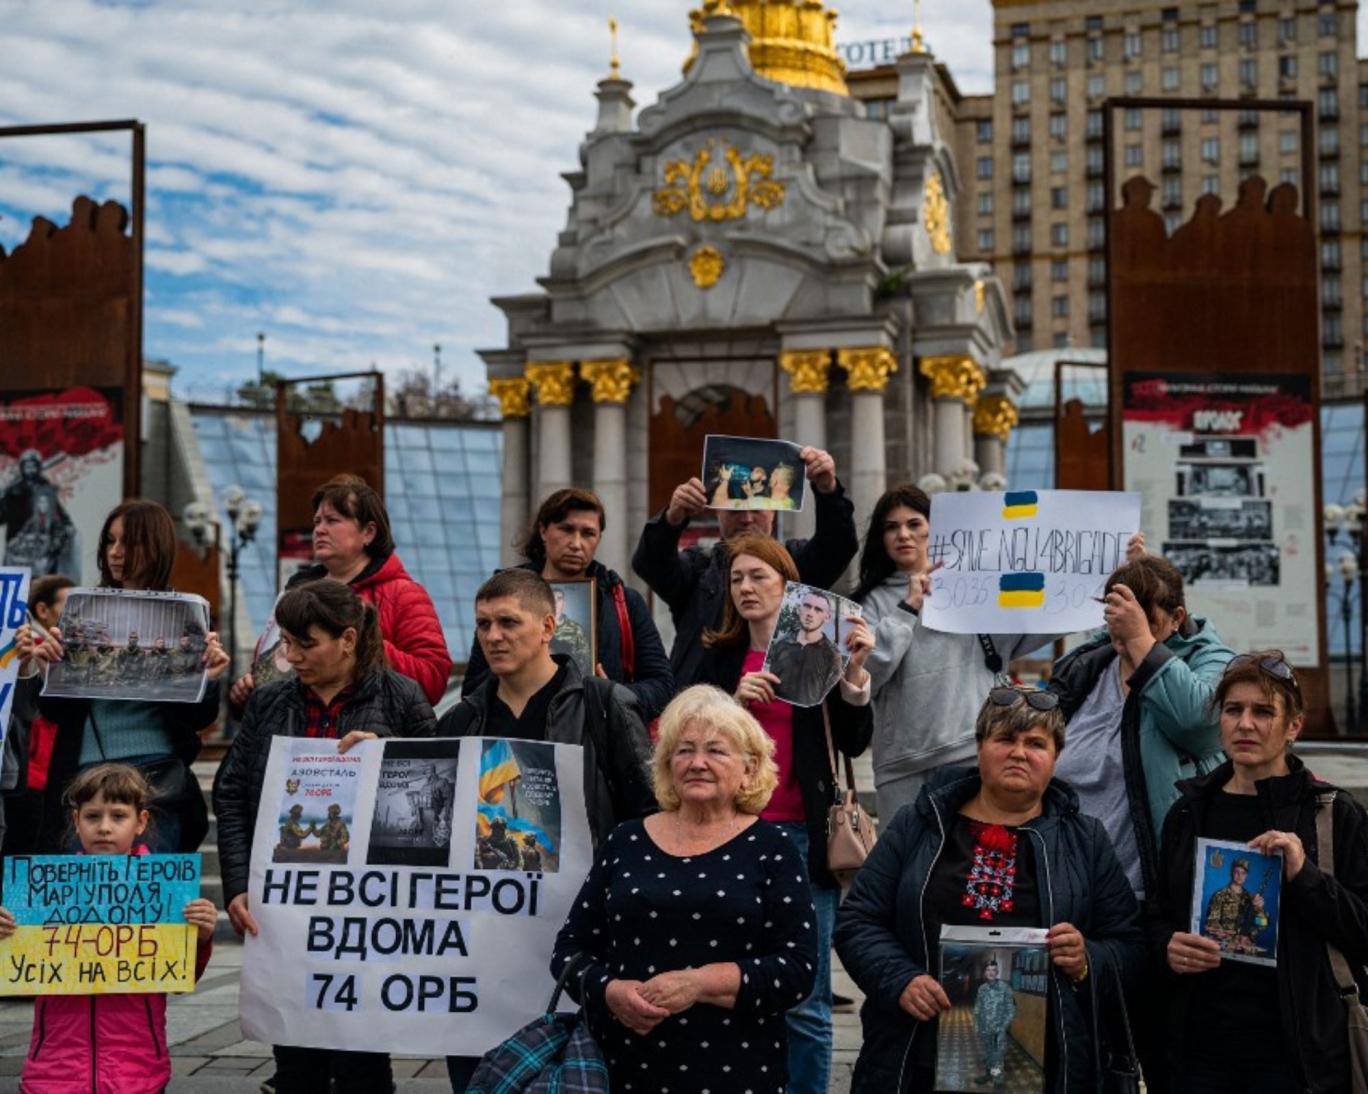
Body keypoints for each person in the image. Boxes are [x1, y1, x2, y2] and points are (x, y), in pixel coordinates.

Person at [834, 687, 1146, 1093]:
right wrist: (901, 980)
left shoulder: (1085, 840)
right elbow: (858, 920)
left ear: (1056, 757)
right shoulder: (921, 824)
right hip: (917, 1055)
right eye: (1005, 739)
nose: (1019, 753)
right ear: (979, 747)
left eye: (1036, 743)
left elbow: (1129, 944)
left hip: (1045, 1065)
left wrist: (1086, 959)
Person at [213, 579, 437, 1094]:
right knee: (295, 1047)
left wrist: (386, 752)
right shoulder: (270, 703)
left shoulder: (402, 697)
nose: (291, 657)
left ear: (348, 639)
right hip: (289, 905)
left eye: (305, 644)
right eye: (287, 643)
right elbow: (231, 793)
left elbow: (433, 788)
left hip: (368, 905)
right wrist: (238, 883)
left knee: (362, 1054)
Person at [438, 567, 657, 1092]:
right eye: (483, 624)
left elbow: (647, 816)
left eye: (508, 622)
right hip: (482, 947)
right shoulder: (460, 720)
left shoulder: (605, 706)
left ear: (547, 626)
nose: (493, 636)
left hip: (581, 936)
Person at [551, 684, 818, 1092]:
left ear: (749, 770)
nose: (697, 763)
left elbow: (798, 969)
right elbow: (570, 949)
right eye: (684, 750)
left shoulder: (773, 848)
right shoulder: (626, 840)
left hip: (736, 1071)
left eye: (716, 751)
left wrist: (699, 984)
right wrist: (609, 992)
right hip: (621, 1068)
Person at [694, 533, 874, 1094]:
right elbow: (687, 743)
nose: (746, 588)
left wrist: (855, 674)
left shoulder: (817, 651)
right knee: (727, 985)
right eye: (737, 578)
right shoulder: (719, 656)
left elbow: (854, 741)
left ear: (788, 587)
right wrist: (731, 704)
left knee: (806, 1000)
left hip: (801, 836)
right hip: (729, 834)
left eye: (759, 577)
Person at [1146, 652, 1368, 1094]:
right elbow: (1156, 914)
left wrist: (1305, 875)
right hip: (1200, 1052)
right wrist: (1166, 946)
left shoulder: (1332, 814)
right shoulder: (1188, 812)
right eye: (1234, 710)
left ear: (1293, 727)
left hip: (1301, 1058)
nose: (1245, 724)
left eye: (1263, 712)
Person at [853, 485, 1119, 824]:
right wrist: (908, 608)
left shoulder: (975, 588)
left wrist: (1111, 572)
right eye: (891, 527)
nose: (903, 534)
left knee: (974, 854)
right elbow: (867, 677)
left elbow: (1040, 620)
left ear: (936, 529)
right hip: (901, 766)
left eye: (914, 524)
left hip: (973, 751)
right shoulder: (870, 602)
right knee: (905, 858)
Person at [17, 500, 229, 853]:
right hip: (85, 772)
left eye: (129, 543)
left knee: (149, 885)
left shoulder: (185, 617)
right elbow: (56, 713)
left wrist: (206, 680)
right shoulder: (83, 613)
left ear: (155, 546)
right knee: (83, 885)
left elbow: (199, 718)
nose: (115, 553)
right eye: (110, 542)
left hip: (156, 775)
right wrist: (48, 672)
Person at [0, 762, 217, 1094]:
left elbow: (179, 979)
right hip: (55, 1071)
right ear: (76, 821)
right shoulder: (42, 891)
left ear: (140, 821)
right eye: (92, 816)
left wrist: (200, 938)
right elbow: (19, 971)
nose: (104, 827)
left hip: (136, 1072)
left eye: (118, 816)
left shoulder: (162, 891)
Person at [1046, 555, 1234, 900]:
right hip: (1070, 884)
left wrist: (1141, 642)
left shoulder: (1210, 659)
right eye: (1120, 617)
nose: (1125, 630)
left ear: (1177, 618)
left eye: (1145, 620)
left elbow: (1199, 723)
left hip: (1151, 889)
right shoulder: (1086, 666)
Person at [634, 445, 858, 688]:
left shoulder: (793, 564)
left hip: (778, 699)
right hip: (702, 703)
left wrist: (828, 491)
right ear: (717, 512)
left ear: (774, 512)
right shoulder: (699, 568)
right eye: (735, 509)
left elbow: (837, 546)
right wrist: (672, 518)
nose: (747, 518)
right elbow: (650, 563)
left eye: (757, 508)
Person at [229, 473, 452, 710]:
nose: (319, 530)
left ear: (368, 532)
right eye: (317, 522)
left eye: (332, 520)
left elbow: (433, 682)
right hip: (290, 727)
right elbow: (273, 669)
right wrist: (249, 688)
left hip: (365, 729)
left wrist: (366, 645)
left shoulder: (403, 594)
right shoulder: (294, 592)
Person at [460, 488, 674, 719]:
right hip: (520, 732)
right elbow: (473, 691)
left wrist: (613, 696)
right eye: (567, 529)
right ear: (543, 530)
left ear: (599, 539)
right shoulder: (503, 599)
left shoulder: (624, 602)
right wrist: (513, 683)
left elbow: (662, 686)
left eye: (588, 533)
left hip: (598, 735)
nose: (576, 543)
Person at [2, 573, 72, 857]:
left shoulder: (23, 638)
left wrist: (22, 667)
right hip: (32, 773)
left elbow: (27, 709)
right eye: (67, 605)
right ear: (43, 610)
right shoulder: (35, 642)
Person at [766, 587, 843, 707]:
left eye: (818, 610)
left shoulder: (832, 654)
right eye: (807, 606)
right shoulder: (781, 644)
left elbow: (829, 694)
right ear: (799, 610)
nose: (810, 613)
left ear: (827, 618)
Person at [972, 960, 1016, 1087]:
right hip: (984, 1028)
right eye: (988, 970)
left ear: (997, 972)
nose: (991, 972)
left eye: (993, 970)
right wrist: (976, 1025)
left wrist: (1003, 1027)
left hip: (998, 1030)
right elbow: (977, 1007)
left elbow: (1011, 1009)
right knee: (987, 1053)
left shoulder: (1005, 988)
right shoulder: (982, 989)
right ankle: (988, 1074)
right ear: (985, 972)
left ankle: (997, 1079)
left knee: (997, 1055)